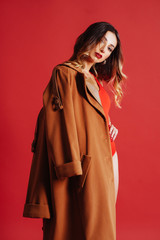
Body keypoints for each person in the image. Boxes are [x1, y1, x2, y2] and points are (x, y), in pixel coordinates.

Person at [23, 21, 126, 240]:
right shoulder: (65, 73)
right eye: (101, 41)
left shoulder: (95, 81)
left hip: (109, 155)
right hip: (87, 160)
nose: (103, 49)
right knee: (81, 226)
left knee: (103, 226)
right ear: (88, 38)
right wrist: (69, 165)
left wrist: (108, 124)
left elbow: (93, 115)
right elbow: (58, 121)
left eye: (109, 48)